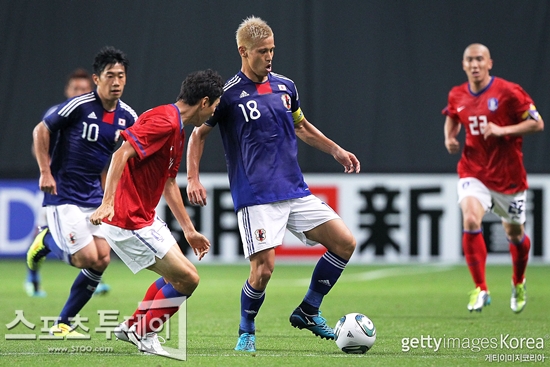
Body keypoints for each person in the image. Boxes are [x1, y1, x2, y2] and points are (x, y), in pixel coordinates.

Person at [186, 16, 360, 352]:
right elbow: (198, 134)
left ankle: (309, 309)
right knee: (263, 270)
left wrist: (336, 150)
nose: (269, 57)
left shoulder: (285, 87)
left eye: (272, 50)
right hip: (256, 196)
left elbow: (303, 126)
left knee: (344, 242)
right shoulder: (228, 95)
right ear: (243, 51)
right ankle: (246, 330)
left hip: (294, 189)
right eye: (262, 51)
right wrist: (192, 177)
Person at [89, 69, 223, 356]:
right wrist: (108, 201)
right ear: (204, 102)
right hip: (128, 220)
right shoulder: (164, 121)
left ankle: (134, 326)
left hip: (144, 218)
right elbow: (120, 154)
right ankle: (144, 333)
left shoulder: (177, 128)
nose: (214, 113)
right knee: (189, 279)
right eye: (215, 106)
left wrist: (188, 230)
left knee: (180, 276)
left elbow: (169, 182)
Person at [27, 46, 138, 336]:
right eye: (110, 76)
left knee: (102, 258)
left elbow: (134, 154)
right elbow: (41, 130)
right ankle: (47, 240)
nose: (116, 82)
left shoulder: (128, 116)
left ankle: (63, 323)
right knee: (87, 258)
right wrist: (45, 171)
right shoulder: (79, 105)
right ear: (97, 79)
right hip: (63, 193)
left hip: (93, 195)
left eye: (121, 76)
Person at [443, 43, 544, 313]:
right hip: (473, 171)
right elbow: (453, 116)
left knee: (514, 233)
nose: (474, 64)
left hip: (508, 178)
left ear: (490, 63)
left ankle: (518, 281)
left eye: (479, 59)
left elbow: (537, 122)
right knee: (471, 218)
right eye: (469, 60)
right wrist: (449, 138)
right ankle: (481, 288)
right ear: (463, 65)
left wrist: (503, 130)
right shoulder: (457, 94)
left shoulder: (509, 91)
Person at [25, 68, 113, 298]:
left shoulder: (95, 116)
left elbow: (99, 158)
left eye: (83, 89)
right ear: (67, 90)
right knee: (46, 231)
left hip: (87, 189)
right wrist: (48, 170)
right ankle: (33, 277)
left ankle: (93, 276)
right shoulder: (58, 113)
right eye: (75, 88)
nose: (79, 93)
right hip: (56, 186)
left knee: (95, 244)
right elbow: (39, 141)